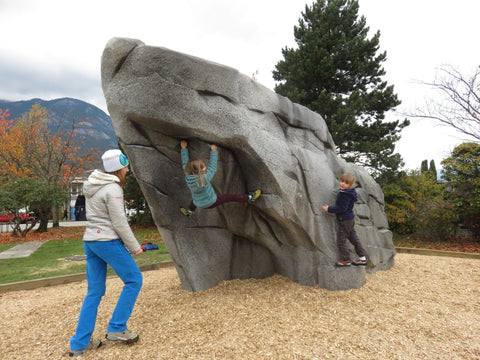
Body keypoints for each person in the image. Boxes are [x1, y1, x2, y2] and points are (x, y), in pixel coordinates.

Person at [69, 149, 144, 357]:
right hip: (107, 241)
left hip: (90, 241)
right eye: (125, 164)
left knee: (94, 292)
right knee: (134, 279)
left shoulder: (93, 185)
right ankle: (117, 328)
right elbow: (119, 222)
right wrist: (135, 247)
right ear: (118, 167)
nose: (128, 169)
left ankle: (79, 343)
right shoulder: (113, 188)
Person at [179, 140, 261, 216]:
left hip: (198, 202)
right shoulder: (204, 178)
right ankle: (250, 198)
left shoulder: (188, 175)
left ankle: (189, 212)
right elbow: (213, 167)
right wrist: (214, 151)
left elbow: (185, 163)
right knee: (230, 197)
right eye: (203, 167)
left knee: (195, 200)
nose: (205, 167)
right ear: (199, 171)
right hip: (211, 202)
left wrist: (183, 148)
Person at [322, 173, 368, 267]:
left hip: (345, 220)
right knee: (354, 239)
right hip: (349, 219)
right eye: (342, 181)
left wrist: (329, 209)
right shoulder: (349, 193)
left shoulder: (345, 195)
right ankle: (363, 258)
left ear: (350, 185)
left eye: (346, 183)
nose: (342, 184)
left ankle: (346, 260)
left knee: (341, 240)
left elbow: (342, 208)